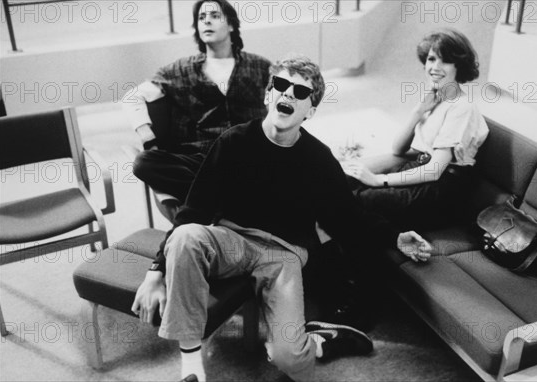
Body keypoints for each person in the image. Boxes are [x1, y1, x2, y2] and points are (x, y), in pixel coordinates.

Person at [132, 54, 432, 382]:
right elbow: (194, 211)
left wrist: (395, 237)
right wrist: (155, 272)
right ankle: (192, 369)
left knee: (289, 359)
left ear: (310, 111)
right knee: (187, 235)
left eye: (300, 92)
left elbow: (347, 217)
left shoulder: (319, 159)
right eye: (281, 85)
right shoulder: (233, 141)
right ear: (268, 95)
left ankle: (321, 341)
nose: (288, 94)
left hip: (282, 254)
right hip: (232, 240)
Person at [123, 0, 271, 205]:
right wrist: (148, 137)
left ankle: (214, 199)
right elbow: (132, 97)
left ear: (231, 25)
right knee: (144, 163)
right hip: (201, 159)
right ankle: (229, 198)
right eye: (201, 18)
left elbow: (285, 97)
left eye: (214, 16)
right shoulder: (180, 70)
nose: (206, 21)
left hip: (248, 156)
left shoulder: (260, 66)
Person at [341, 29, 489, 230]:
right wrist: (418, 111)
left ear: (459, 66)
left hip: (441, 190)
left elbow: (435, 171)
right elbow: (398, 149)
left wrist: (379, 180)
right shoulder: (436, 99)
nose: (434, 67)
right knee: (345, 185)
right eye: (431, 59)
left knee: (360, 200)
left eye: (444, 61)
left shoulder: (462, 107)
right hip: (419, 171)